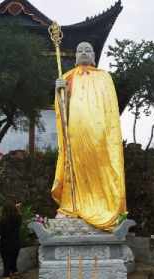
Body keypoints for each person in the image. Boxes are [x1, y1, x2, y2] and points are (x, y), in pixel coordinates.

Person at [51, 41, 127, 231]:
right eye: (80, 51)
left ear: (94, 55)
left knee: (100, 169)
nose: (84, 53)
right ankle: (70, 207)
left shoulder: (104, 78)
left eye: (88, 50)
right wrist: (60, 91)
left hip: (99, 136)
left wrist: (105, 136)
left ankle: (105, 206)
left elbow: (110, 110)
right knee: (73, 167)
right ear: (75, 56)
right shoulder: (68, 77)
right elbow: (63, 110)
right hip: (76, 134)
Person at [0, 201, 22, 279]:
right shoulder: (18, 219)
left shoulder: (3, 221)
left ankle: (6, 276)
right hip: (16, 244)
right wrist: (16, 208)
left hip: (5, 245)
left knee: (6, 263)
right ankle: (15, 274)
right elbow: (19, 213)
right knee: (13, 262)